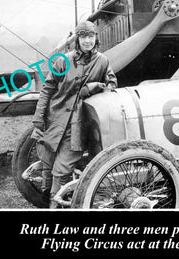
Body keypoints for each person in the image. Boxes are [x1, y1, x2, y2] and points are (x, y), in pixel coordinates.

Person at [31, 20, 117, 208]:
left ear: (96, 38)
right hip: (55, 119)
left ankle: (55, 205)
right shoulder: (63, 60)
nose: (87, 41)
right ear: (77, 40)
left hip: (79, 124)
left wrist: (94, 89)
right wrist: (38, 119)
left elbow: (111, 85)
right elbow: (47, 89)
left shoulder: (103, 61)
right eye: (83, 37)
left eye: (91, 36)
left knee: (62, 169)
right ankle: (50, 198)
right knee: (48, 161)